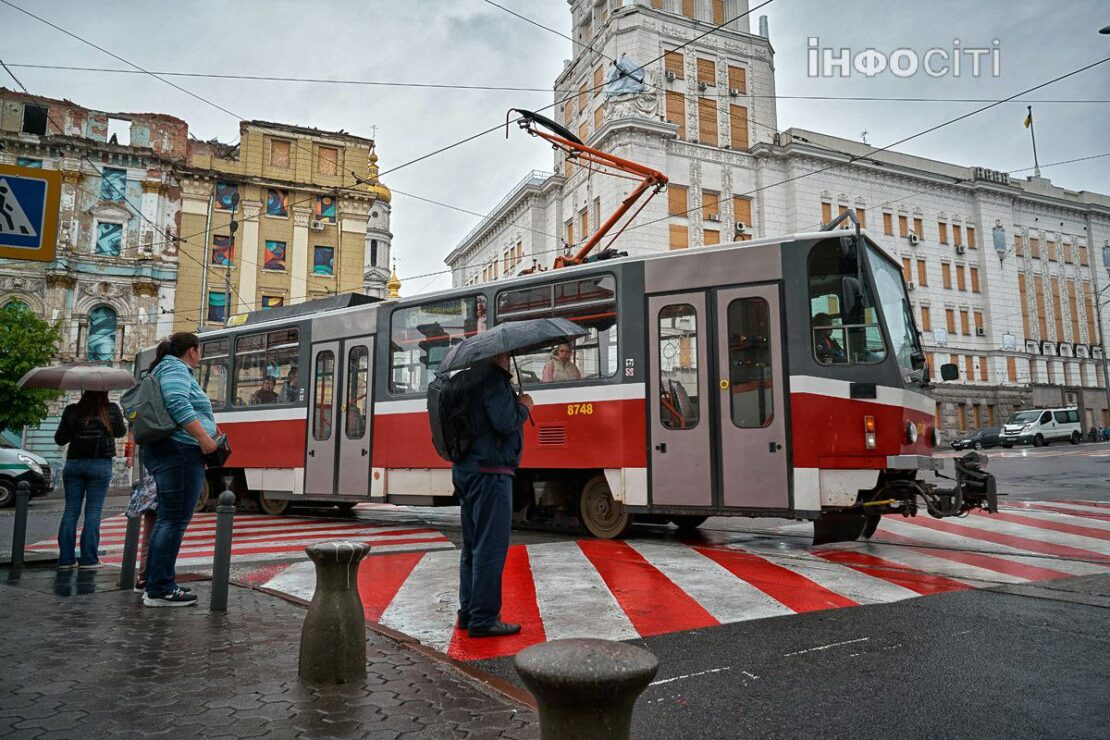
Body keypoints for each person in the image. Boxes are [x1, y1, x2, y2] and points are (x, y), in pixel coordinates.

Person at [453, 352, 533, 638]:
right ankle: (484, 619)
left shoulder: (467, 380)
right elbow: (504, 421)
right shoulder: (493, 381)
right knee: (490, 547)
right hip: (491, 472)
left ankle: (468, 613)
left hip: (467, 470)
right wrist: (524, 407)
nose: (510, 358)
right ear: (498, 355)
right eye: (507, 355)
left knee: (472, 546)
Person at [141, 332, 219, 607]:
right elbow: (177, 402)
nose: (201, 356)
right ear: (192, 351)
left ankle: (153, 582)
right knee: (173, 520)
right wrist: (203, 438)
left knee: (167, 518)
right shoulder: (175, 368)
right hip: (180, 451)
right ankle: (160, 588)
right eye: (201, 351)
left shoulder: (165, 367)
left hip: (170, 450)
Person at [54, 390, 126, 570]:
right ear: (105, 392)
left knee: (70, 511)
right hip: (100, 464)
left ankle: (66, 560)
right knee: (93, 512)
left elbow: (60, 439)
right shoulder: (110, 409)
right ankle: (88, 560)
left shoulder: (72, 410)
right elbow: (120, 432)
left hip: (74, 464)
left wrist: (75, 428)